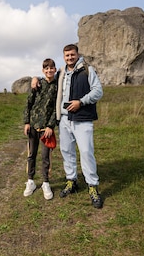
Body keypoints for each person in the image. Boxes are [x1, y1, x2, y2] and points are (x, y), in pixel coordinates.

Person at [36, 44, 104, 208]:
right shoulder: (60, 73)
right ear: (64, 56)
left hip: (82, 118)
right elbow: (48, 81)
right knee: (67, 152)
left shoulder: (87, 70)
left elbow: (98, 91)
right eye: (67, 56)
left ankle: (92, 186)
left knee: (87, 152)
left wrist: (81, 102)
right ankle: (71, 181)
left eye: (72, 55)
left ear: (77, 54)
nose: (69, 58)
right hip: (64, 120)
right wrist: (35, 79)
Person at [22, 58, 58, 200]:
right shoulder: (37, 84)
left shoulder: (57, 86)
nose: (49, 71)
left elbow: (56, 109)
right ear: (43, 71)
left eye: (51, 68)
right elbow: (28, 104)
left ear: (55, 69)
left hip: (46, 130)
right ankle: (30, 181)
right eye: (46, 69)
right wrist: (26, 122)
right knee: (31, 155)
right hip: (32, 126)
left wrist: (50, 125)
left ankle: (45, 182)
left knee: (45, 157)